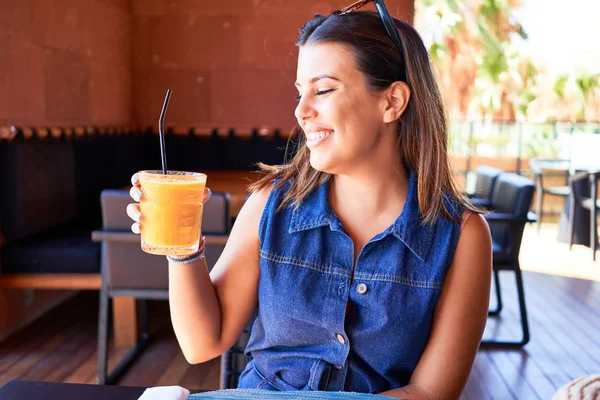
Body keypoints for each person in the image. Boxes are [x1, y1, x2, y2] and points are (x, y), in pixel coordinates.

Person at [127, 1, 492, 398]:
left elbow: (432, 392)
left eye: (323, 89)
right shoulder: (271, 203)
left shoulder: (463, 236)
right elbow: (202, 344)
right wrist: (181, 249)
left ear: (392, 102)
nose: (301, 111)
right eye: (300, 92)